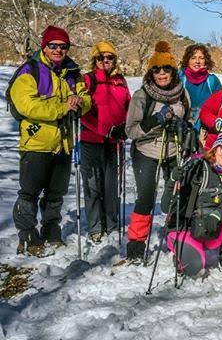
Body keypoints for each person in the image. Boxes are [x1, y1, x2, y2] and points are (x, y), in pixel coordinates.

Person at [10, 25, 92, 256]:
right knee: (30, 192)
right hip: (37, 142)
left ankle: (51, 229)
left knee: (56, 193)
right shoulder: (30, 70)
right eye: (53, 45)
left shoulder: (72, 72)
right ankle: (26, 235)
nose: (58, 50)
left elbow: (86, 99)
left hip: (64, 142)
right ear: (44, 47)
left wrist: (80, 103)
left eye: (63, 46)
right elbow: (27, 105)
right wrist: (62, 106)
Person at [125, 41, 192, 262]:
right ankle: (136, 244)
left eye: (166, 69)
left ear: (173, 71)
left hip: (174, 151)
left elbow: (190, 121)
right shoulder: (142, 96)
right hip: (146, 151)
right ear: (150, 71)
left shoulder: (182, 93)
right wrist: (155, 120)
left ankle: (175, 238)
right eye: (156, 69)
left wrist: (181, 126)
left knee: (176, 196)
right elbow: (131, 131)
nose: (161, 73)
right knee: (145, 197)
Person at [165, 130, 222, 278]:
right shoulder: (197, 167)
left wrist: (219, 213)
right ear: (215, 148)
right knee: (196, 271)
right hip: (187, 229)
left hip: (215, 230)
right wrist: (172, 181)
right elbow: (165, 206)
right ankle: (184, 253)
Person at [80, 41, 131, 243]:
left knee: (111, 185)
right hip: (92, 139)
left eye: (110, 57)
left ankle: (111, 223)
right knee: (93, 185)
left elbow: (128, 107)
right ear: (95, 60)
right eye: (102, 57)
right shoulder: (88, 79)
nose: (106, 61)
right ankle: (95, 226)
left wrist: (126, 127)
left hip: (114, 141)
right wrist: (107, 130)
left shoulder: (120, 81)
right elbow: (83, 114)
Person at [180, 43, 222, 127]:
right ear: (187, 61)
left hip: (205, 126)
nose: (197, 61)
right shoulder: (180, 78)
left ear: (206, 61)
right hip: (183, 125)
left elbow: (221, 106)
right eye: (193, 58)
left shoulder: (212, 80)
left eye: (201, 58)